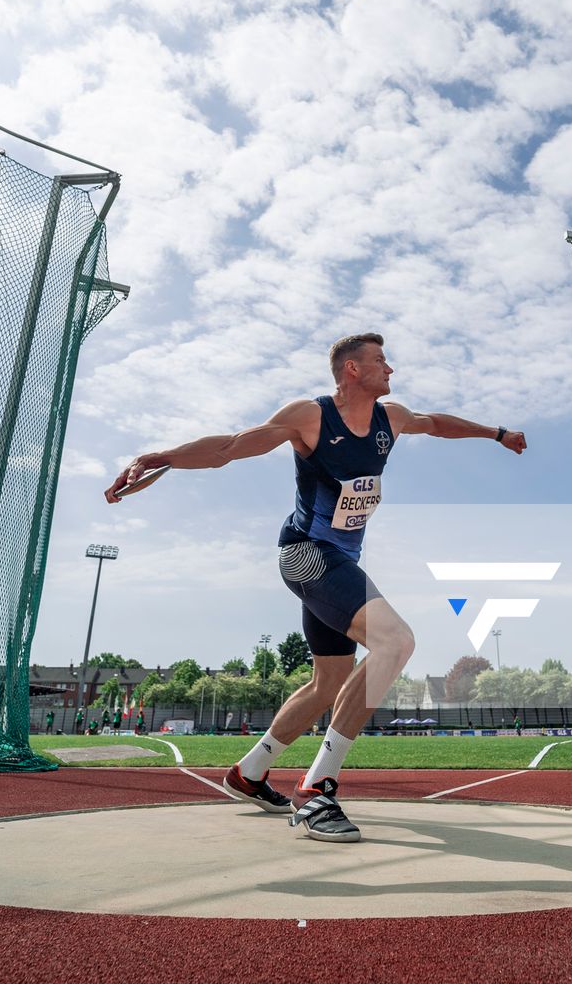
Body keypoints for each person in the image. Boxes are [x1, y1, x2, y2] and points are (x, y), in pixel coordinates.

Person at [106, 332, 526, 841]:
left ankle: (250, 772)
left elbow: (435, 423)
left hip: (339, 560)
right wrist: (162, 456)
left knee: (330, 683)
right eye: (379, 360)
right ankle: (317, 786)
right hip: (306, 555)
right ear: (352, 370)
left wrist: (496, 433)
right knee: (396, 640)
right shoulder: (310, 416)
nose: (389, 368)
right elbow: (233, 446)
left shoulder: (390, 419)